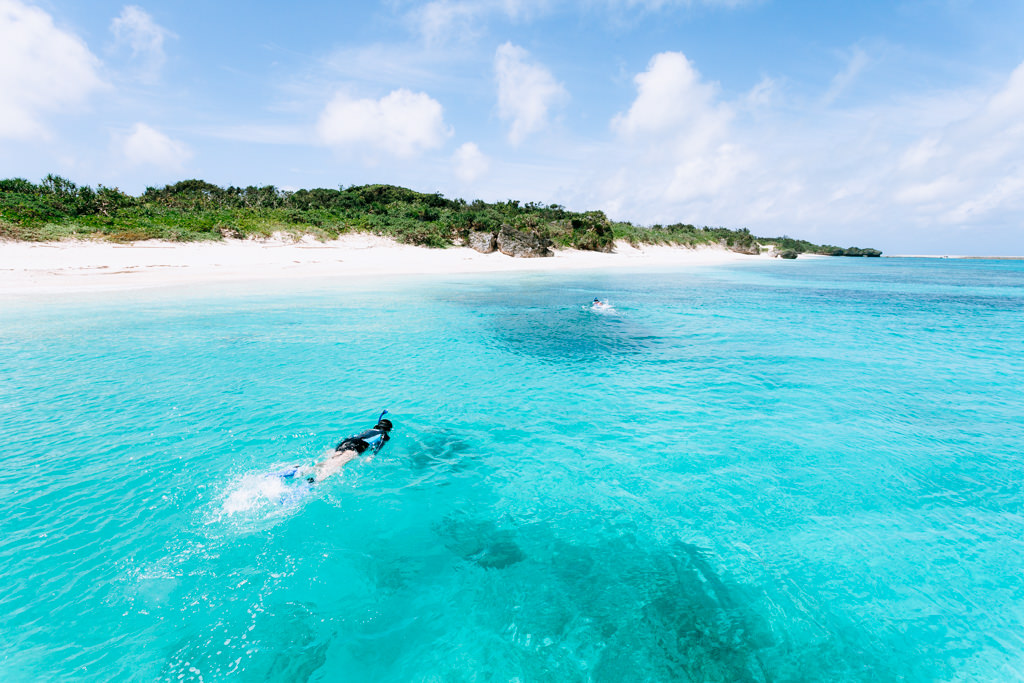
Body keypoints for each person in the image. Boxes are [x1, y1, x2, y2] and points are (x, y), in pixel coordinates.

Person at [279, 414, 393, 484]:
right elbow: (380, 443)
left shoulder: (368, 430)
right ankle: (315, 482)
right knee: (335, 467)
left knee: (327, 462)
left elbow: (351, 437)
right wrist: (371, 456)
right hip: (355, 447)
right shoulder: (383, 434)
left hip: (344, 444)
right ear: (387, 429)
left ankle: (301, 471)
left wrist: (337, 449)